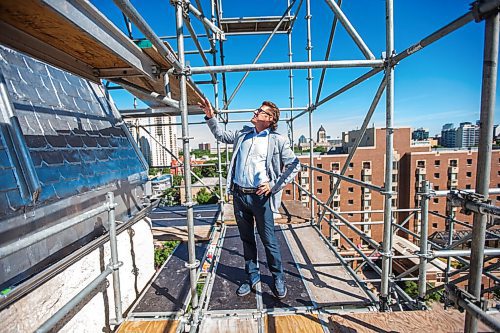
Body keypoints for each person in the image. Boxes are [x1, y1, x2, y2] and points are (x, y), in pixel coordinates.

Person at [198, 98, 300, 299]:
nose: (255, 112)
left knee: (268, 240)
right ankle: (251, 277)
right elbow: (220, 134)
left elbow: (294, 164)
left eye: (260, 111)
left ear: (270, 119)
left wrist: (273, 185)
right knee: (247, 239)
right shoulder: (242, 134)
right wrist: (210, 116)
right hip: (239, 195)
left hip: (260, 199)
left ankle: (277, 277)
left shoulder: (277, 140)